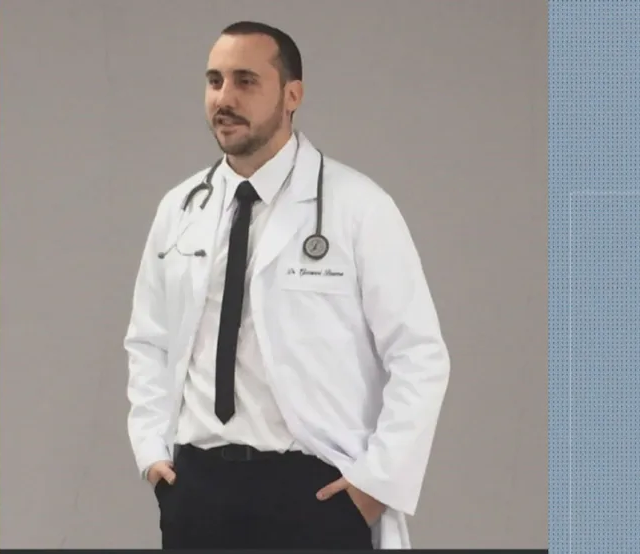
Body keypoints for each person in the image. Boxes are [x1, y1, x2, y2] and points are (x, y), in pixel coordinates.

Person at [124, 20, 450, 550]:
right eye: (214, 81)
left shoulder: (358, 207)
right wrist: (151, 453)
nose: (224, 98)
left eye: (245, 81)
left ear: (292, 95)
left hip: (314, 490)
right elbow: (148, 340)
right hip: (198, 488)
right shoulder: (180, 208)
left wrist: (376, 484)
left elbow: (419, 355)